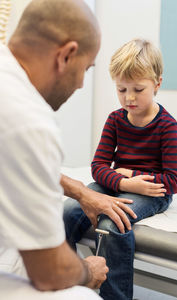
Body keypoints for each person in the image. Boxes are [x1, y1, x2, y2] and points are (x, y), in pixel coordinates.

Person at [0, 0, 136, 298]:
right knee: (82, 294)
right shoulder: (30, 120)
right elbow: (50, 272)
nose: (79, 85)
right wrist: (87, 270)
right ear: (66, 55)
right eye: (85, 69)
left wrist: (78, 189)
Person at [63, 38, 177, 300]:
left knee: (113, 222)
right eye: (122, 89)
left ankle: (114, 296)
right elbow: (98, 167)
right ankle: (69, 286)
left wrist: (131, 177)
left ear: (157, 84)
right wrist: (125, 182)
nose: (129, 98)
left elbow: (172, 181)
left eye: (138, 89)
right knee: (67, 211)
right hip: (121, 183)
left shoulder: (166, 125)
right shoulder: (115, 120)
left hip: (152, 193)